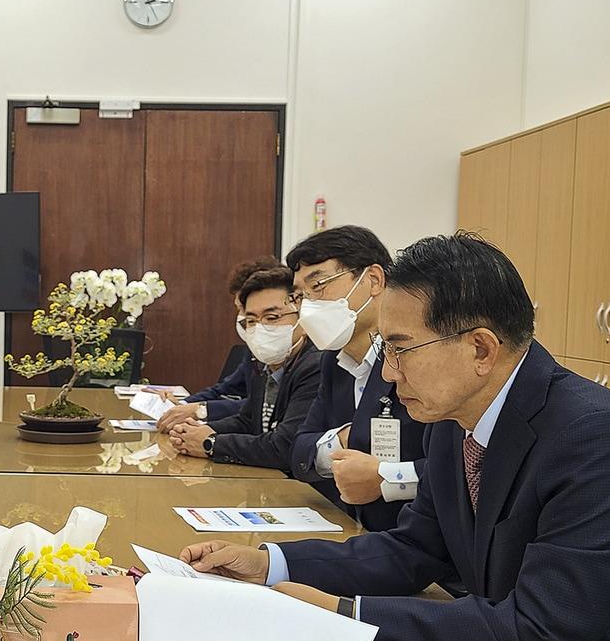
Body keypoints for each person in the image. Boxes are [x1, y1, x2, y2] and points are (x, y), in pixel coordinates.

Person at [181, 233, 610, 641]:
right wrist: (269, 563)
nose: (388, 373)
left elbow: (539, 631)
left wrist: (346, 612)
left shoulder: (596, 436)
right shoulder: (454, 421)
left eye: (399, 348)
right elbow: (413, 549)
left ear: (480, 348)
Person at [286, 226, 427, 531]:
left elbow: (459, 465)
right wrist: (342, 439)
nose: (308, 306)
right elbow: (299, 451)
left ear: (373, 280)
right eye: (300, 296)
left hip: (418, 537)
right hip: (351, 526)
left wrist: (387, 477)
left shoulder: (415, 355)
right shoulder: (333, 362)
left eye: (319, 285)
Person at [168, 265, 321, 472]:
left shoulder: (315, 365)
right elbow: (248, 421)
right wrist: (196, 432)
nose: (260, 328)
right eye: (251, 320)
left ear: (302, 316)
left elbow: (286, 447)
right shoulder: (262, 362)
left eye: (272, 317)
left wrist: (211, 443)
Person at [155, 257, 279, 433]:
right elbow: (225, 388)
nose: (243, 318)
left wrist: (201, 410)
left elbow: (261, 407)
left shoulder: (304, 358)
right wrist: (182, 405)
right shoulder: (254, 350)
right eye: (242, 312)